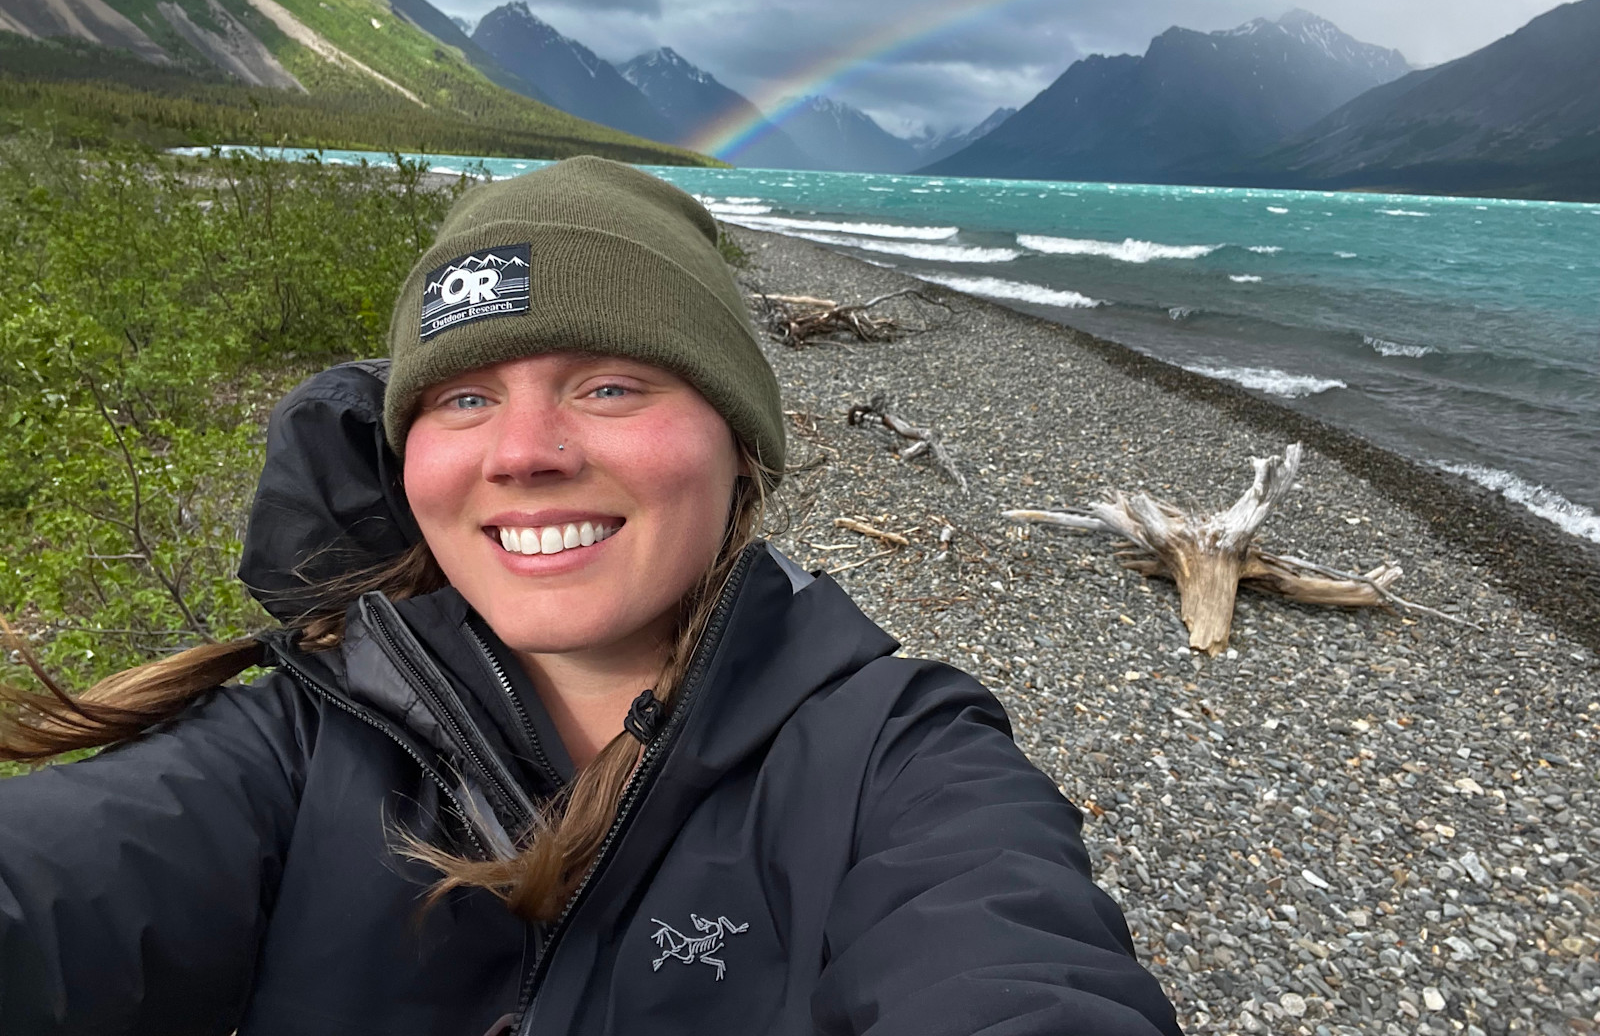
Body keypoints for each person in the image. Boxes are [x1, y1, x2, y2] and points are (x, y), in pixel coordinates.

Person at [0, 157, 1182, 1036]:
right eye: (460, 399)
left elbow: (1019, 972)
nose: (521, 452)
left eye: (609, 385)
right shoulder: (300, 742)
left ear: (739, 447)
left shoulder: (895, 763)